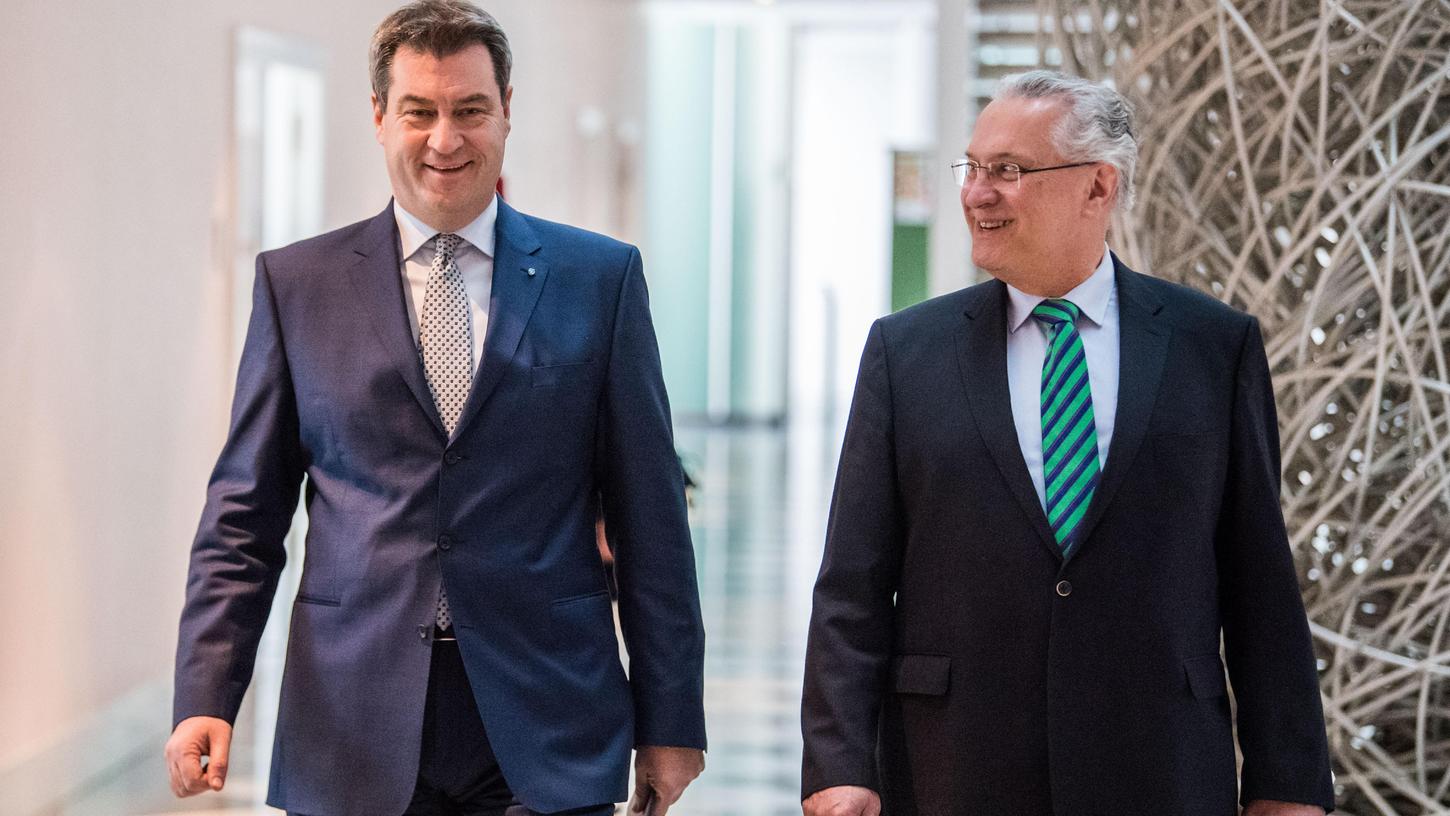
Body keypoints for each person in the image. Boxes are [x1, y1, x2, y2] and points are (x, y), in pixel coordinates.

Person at [165, 2, 706, 814]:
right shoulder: (299, 287)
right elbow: (245, 511)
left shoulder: (599, 280)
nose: (445, 140)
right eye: (419, 112)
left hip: (548, 713)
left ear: (508, 111)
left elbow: (651, 518)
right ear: (380, 116)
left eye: (470, 110)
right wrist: (208, 687)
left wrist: (671, 718)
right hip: (353, 719)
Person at [800, 70, 1334, 816]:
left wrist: (1288, 784)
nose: (977, 192)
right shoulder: (904, 353)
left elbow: (1259, 584)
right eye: (974, 167)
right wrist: (837, 765)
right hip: (953, 768)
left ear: (1098, 188)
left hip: (1159, 768)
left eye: (1009, 171)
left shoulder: (1214, 347)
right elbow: (852, 589)